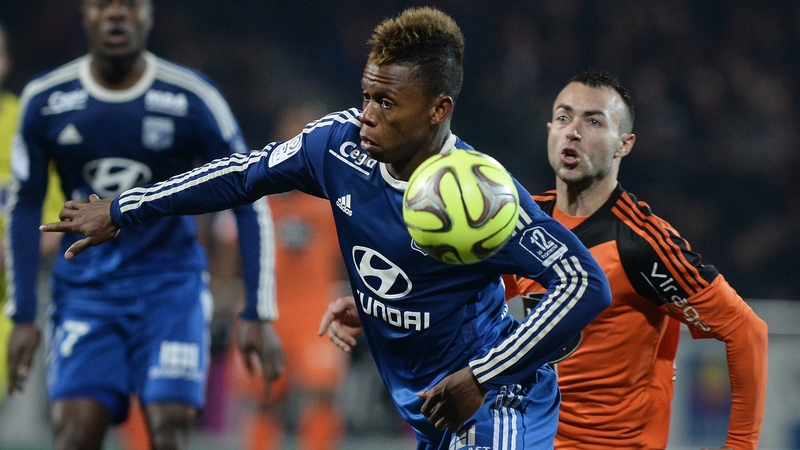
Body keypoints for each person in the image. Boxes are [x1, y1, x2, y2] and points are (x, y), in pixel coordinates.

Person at [39, 7, 612, 449]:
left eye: (387, 103)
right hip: (431, 400)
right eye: (366, 95)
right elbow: (241, 174)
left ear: (439, 109)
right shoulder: (336, 147)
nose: (368, 113)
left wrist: (484, 374)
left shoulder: (484, 196)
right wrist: (122, 209)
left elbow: (585, 283)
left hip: (495, 396)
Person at [5, 1, 282, 449]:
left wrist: (258, 311)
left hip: (170, 288)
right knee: (73, 434)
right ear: (84, 13)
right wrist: (22, 315)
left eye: (130, 4)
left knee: (169, 426)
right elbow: (24, 204)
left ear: (150, 14)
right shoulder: (46, 99)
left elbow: (247, 194)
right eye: (102, 5)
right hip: (86, 294)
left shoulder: (193, 97)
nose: (117, 15)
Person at [507, 70, 768, 449]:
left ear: (623, 145)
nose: (573, 131)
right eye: (564, 118)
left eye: (593, 121)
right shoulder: (523, 220)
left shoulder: (642, 244)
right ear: (549, 129)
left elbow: (747, 332)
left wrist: (740, 445)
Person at [226, 102, 349, 450]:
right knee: (265, 397)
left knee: (323, 393)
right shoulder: (255, 188)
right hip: (266, 308)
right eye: (294, 131)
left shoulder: (334, 192)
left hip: (316, 308)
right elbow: (232, 248)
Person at [0, 21, 65, 404]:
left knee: (18, 423)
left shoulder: (27, 123)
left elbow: (59, 214)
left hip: (18, 300)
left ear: (5, 61)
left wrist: (18, 252)